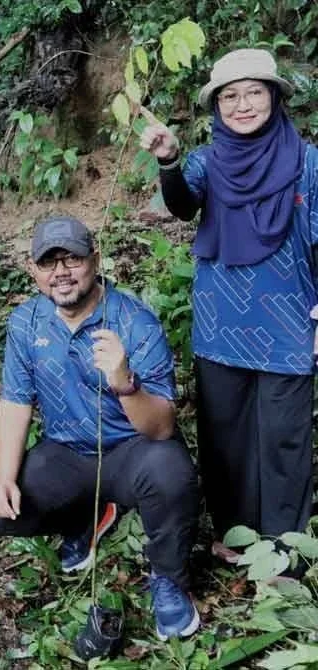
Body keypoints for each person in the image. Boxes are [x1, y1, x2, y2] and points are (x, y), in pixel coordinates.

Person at [0, 216, 200, 640]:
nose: (61, 272)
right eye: (48, 263)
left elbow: (162, 427)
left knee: (172, 475)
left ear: (95, 260)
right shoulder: (26, 323)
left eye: (72, 259)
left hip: (132, 451)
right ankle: (86, 518)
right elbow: (15, 401)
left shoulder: (136, 321)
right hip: (68, 452)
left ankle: (169, 577)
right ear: (33, 271)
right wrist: (4, 477)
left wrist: (124, 383)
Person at [141, 49, 318, 555]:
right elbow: (181, 206)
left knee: (284, 440)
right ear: (217, 106)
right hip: (221, 322)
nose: (242, 105)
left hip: (289, 323)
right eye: (230, 96)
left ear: (275, 98)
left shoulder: (308, 164)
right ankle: (235, 536)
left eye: (254, 92)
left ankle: (284, 550)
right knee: (225, 437)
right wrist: (170, 160)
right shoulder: (207, 161)